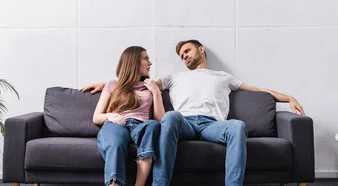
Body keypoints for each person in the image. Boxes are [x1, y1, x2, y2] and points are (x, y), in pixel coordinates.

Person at [83, 40, 305, 186]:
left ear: (201, 50)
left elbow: (257, 90)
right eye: (181, 55)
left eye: (187, 51)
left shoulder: (223, 76)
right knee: (169, 117)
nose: (184, 57)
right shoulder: (174, 77)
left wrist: (287, 97)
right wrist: (105, 84)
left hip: (213, 125)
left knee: (237, 126)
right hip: (184, 123)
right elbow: (134, 82)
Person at [92, 46, 165, 186]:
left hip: (141, 125)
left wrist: (156, 92)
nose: (150, 63)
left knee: (153, 125)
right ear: (133, 62)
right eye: (146, 59)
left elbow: (160, 120)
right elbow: (96, 117)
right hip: (117, 123)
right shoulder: (113, 84)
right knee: (116, 143)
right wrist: (109, 115)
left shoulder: (150, 86)